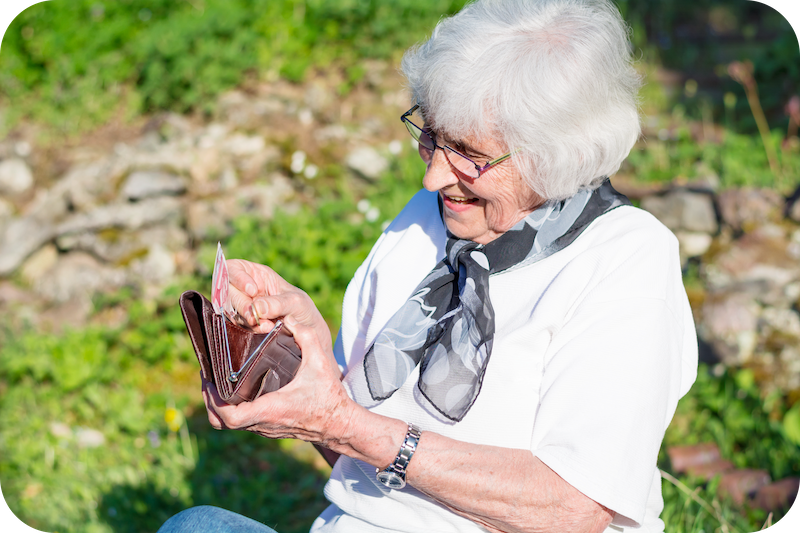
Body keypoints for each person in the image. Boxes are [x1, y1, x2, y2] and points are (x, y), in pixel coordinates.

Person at [159, 0, 698, 532]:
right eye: (432, 137)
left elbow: (573, 510)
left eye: (468, 153)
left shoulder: (625, 259)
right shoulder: (429, 219)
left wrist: (342, 424)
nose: (434, 177)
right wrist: (302, 357)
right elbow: (351, 454)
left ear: (557, 153)